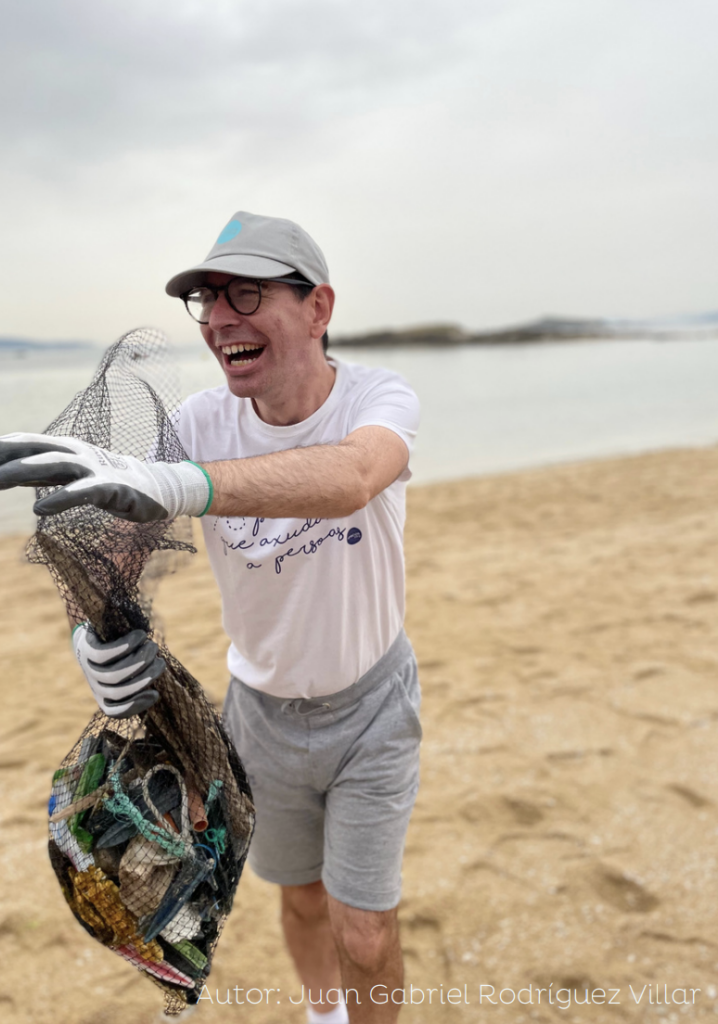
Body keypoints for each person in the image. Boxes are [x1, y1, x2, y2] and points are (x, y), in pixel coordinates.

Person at [0, 211, 421, 1024]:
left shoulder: (376, 397)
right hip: (257, 716)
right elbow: (119, 553)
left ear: (318, 307)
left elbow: (354, 476)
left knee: (366, 931)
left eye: (246, 294)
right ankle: (324, 1016)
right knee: (300, 899)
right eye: (208, 300)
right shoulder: (197, 423)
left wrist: (186, 484)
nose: (220, 317)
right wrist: (91, 637)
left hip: (372, 707)